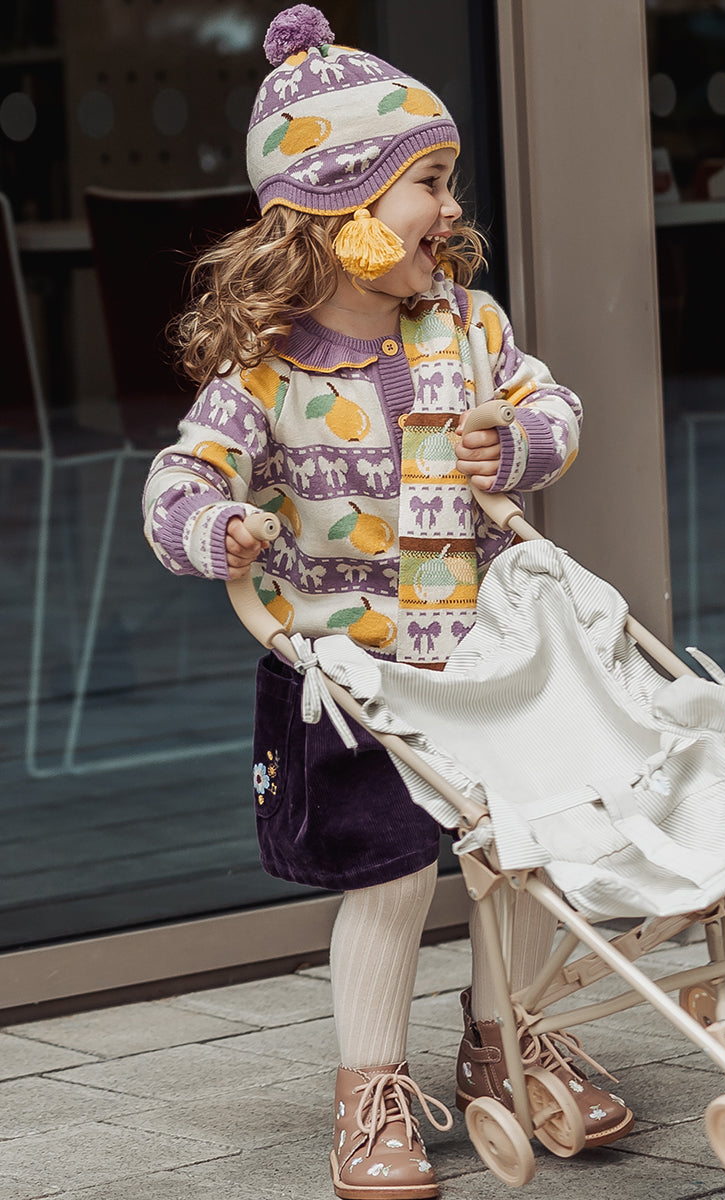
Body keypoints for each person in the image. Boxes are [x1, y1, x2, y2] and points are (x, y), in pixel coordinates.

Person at [142, 6, 633, 1197]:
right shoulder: (264, 372)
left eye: (448, 182)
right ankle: (371, 1089)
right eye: (428, 183)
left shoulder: (466, 327)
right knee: (393, 873)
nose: (450, 210)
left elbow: (554, 407)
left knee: (517, 851)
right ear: (341, 209)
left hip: (480, 655)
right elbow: (178, 484)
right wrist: (223, 526)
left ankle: (508, 1041)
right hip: (347, 670)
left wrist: (516, 440)